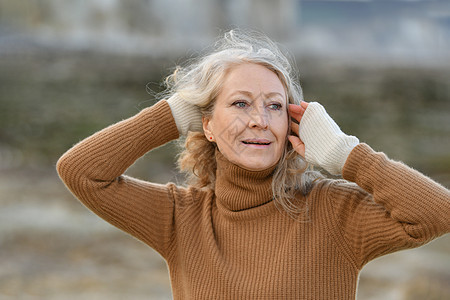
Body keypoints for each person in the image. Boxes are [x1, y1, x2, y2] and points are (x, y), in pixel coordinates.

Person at [56, 30, 450, 299]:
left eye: (275, 106)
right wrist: (172, 115)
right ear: (206, 124)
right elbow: (82, 172)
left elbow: (437, 213)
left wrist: (347, 154)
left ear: (292, 122)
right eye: (240, 103)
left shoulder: (334, 211)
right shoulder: (180, 218)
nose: (260, 119)